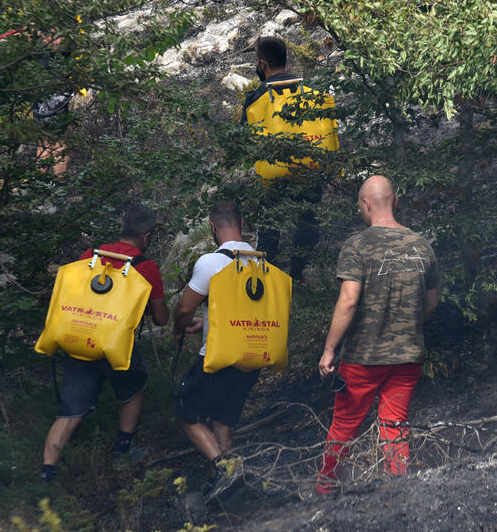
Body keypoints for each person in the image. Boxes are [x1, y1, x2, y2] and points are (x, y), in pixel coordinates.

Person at [315, 175, 439, 494]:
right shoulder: (422, 245)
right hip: (407, 357)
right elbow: (431, 302)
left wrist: (329, 350)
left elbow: (349, 300)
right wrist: (405, 323)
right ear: (395, 202)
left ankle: (325, 490)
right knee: (394, 424)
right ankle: (398, 488)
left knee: (344, 425)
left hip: (362, 359)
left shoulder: (358, 245)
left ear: (366, 205)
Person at [40, 204, 168, 482]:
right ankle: (123, 451)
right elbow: (160, 319)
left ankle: (46, 475)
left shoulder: (91, 257)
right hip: (116, 347)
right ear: (147, 237)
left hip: (79, 342)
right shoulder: (146, 267)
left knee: (69, 413)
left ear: (122, 230)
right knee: (133, 391)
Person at [172, 200, 262, 500]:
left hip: (219, 358)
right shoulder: (260, 261)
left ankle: (222, 467)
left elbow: (184, 307)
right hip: (252, 356)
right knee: (222, 418)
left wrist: (180, 326)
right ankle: (227, 486)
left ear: (212, 227)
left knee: (186, 411)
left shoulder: (211, 262)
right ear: (242, 223)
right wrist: (206, 323)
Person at [242, 36, 322, 282]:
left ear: (262, 63)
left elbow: (243, 140)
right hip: (307, 168)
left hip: (273, 173)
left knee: (269, 226)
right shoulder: (309, 92)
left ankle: (267, 279)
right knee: (308, 221)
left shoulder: (256, 98)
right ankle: (299, 274)